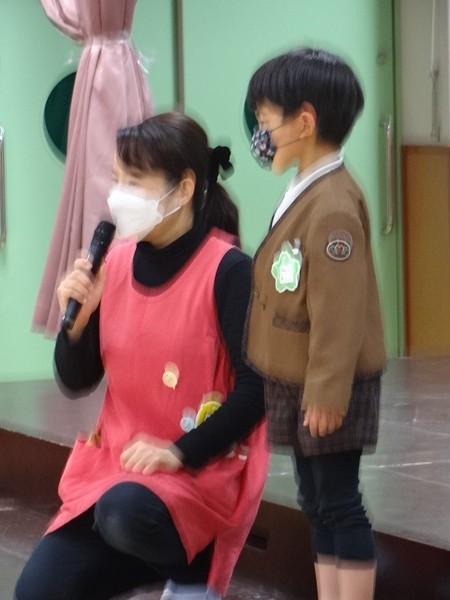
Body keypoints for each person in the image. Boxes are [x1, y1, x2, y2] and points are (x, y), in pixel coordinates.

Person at [15, 112, 268, 600]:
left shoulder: (229, 270)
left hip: (194, 473)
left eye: (134, 181)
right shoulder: (114, 261)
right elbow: (76, 380)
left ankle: (193, 569)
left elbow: (257, 391)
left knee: (125, 512)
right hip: (114, 472)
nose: (119, 195)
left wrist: (178, 451)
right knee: (37, 592)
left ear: (184, 188)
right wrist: (76, 327)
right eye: (117, 180)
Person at [243, 48, 387, 600]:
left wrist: (327, 392)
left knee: (339, 502)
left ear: (304, 122)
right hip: (296, 378)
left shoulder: (332, 207)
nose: (260, 135)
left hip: (326, 384)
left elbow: (339, 310)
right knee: (316, 502)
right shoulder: (307, 186)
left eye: (266, 121)